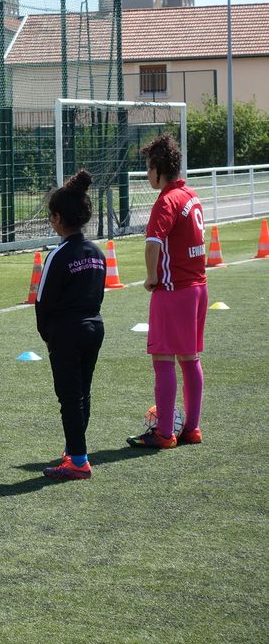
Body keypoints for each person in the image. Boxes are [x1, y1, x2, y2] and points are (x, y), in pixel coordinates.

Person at [128, 134, 207, 449]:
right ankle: (192, 428)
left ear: (159, 169)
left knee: (163, 358)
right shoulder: (191, 194)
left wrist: (151, 277)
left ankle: (163, 434)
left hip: (174, 290)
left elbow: (153, 243)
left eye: (149, 169)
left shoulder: (166, 200)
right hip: (199, 288)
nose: (148, 175)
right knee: (190, 358)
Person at [35, 170, 106, 480]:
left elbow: (42, 301)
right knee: (83, 393)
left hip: (67, 332)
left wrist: (47, 334)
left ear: (59, 218)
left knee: (69, 397)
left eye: (52, 216)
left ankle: (77, 459)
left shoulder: (59, 255)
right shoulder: (97, 253)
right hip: (94, 328)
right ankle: (74, 450)